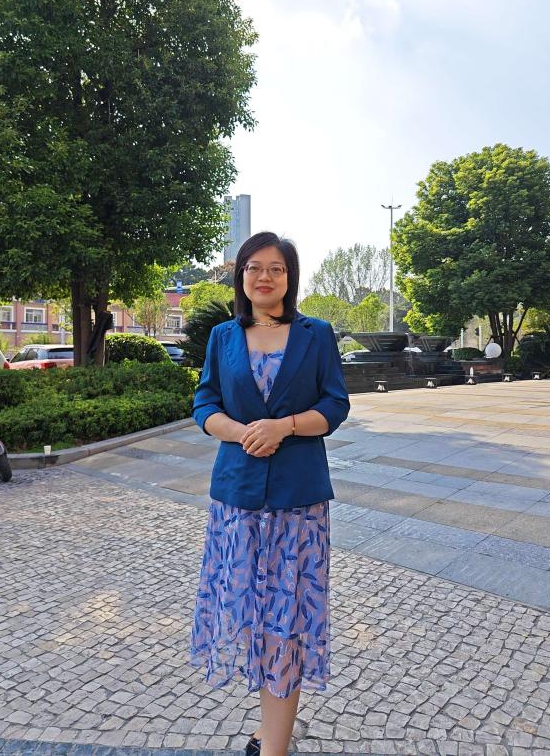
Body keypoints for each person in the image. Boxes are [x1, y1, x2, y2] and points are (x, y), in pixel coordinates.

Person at [190, 231, 350, 756]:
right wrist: (242, 432)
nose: (264, 276)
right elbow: (204, 403)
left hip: (297, 501)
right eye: (254, 267)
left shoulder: (315, 334)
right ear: (241, 276)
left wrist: (285, 426)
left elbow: (335, 404)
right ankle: (271, 725)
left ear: (289, 277)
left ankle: (274, 746)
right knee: (250, 618)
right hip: (236, 499)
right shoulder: (223, 337)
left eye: (276, 268)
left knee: (287, 621)